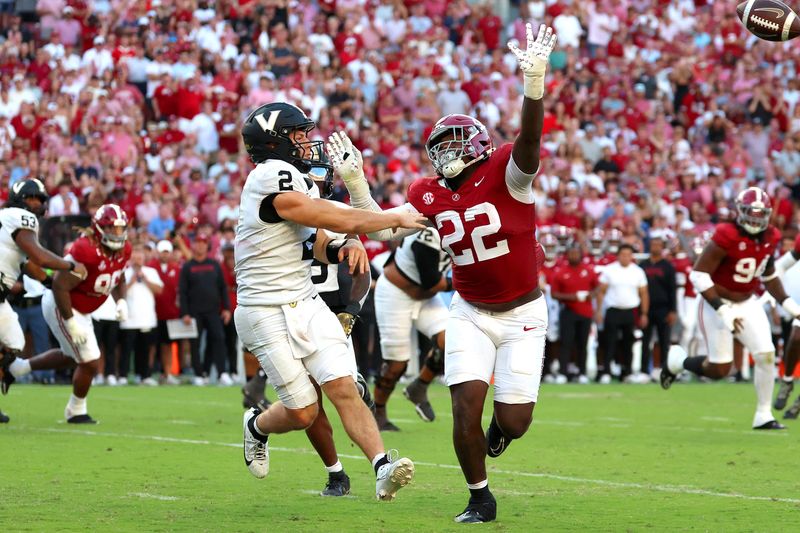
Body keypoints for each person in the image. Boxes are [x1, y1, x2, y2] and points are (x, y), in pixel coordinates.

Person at [329, 24, 557, 523]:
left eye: (455, 143)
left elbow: (531, 141)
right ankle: (479, 496)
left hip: (522, 312)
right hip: (469, 311)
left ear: (475, 145)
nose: (445, 152)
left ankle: (500, 435)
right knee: (464, 406)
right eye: (441, 144)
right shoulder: (427, 192)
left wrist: (533, 86)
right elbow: (386, 228)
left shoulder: (505, 172)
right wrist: (356, 184)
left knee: (514, 422)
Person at [235, 102, 424, 500]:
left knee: (343, 386)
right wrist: (389, 217)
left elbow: (318, 236)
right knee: (303, 411)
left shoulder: (296, 180)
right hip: (264, 308)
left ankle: (381, 466)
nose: (307, 142)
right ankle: (257, 426)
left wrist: (342, 247)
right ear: (274, 143)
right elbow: (328, 215)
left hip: (304, 299)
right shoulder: (270, 176)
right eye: (299, 135)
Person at [241, 166, 376, 496]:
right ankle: (335, 472)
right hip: (286, 310)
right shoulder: (279, 209)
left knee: (350, 390)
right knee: (307, 404)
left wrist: (351, 311)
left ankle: (379, 463)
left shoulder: (335, 213)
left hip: (327, 309)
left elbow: (362, 272)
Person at [661, 187, 792, 430]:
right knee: (720, 369)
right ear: (739, 212)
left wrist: (786, 301)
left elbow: (769, 273)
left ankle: (763, 415)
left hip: (747, 302)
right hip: (716, 303)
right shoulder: (726, 234)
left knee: (766, 354)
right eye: (750, 213)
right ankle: (678, 361)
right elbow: (699, 276)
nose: (755, 219)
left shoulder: (771, 235)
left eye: (760, 214)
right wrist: (722, 309)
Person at [2, 204, 130, 423]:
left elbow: (119, 275)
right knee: (90, 359)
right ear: (99, 228)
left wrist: (121, 300)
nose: (116, 235)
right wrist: (70, 321)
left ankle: (19, 368)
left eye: (120, 229)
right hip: (62, 303)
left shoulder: (125, 249)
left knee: (72, 355)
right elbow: (60, 285)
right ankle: (76, 410)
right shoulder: (85, 250)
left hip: (82, 306)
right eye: (112, 229)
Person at [0, 179, 89, 412]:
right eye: (30, 198)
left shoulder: (9, 220)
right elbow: (39, 256)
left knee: (14, 343)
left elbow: (28, 263)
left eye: (39, 199)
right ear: (19, 199)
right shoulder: (19, 217)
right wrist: (69, 266)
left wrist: (50, 282)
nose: (35, 203)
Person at [372, 227, 451, 430]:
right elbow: (431, 281)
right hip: (395, 293)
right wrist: (464, 282)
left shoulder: (465, 222)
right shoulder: (429, 230)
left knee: (452, 340)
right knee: (396, 365)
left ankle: (420, 386)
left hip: (425, 298)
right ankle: (378, 411)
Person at [179, 234, 232, 385]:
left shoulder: (214, 264)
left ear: (207, 245)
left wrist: (226, 309)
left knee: (218, 339)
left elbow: (223, 288)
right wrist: (185, 313)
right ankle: (199, 374)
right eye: (198, 242)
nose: (200, 245)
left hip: (213, 311)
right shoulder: (188, 266)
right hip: (194, 312)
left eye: (203, 243)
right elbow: (182, 291)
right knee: (195, 343)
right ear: (193, 245)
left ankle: (221, 372)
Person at [594, 244, 649, 383]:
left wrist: (644, 313)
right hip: (613, 310)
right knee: (609, 342)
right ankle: (607, 371)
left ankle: (627, 372)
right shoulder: (610, 270)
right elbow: (601, 292)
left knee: (628, 343)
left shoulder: (638, 271)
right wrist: (599, 311)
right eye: (623, 254)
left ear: (632, 256)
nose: (625, 257)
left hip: (630, 311)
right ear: (618, 255)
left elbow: (644, 293)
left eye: (628, 255)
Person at [550, 243, 598, 384]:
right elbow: (554, 294)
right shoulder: (560, 272)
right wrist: (572, 297)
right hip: (568, 311)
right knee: (566, 343)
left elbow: (597, 288)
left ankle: (581, 372)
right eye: (571, 253)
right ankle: (563, 373)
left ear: (580, 255)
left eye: (576, 253)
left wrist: (591, 295)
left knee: (582, 344)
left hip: (586, 313)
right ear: (567, 255)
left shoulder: (588, 270)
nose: (574, 256)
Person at [119, 244, 164, 386]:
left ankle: (143, 376)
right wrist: (132, 281)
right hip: (128, 319)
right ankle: (123, 376)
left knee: (144, 350)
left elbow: (159, 290)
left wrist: (145, 279)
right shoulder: (124, 273)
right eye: (134, 258)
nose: (137, 261)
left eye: (139, 258)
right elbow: (120, 292)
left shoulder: (150, 272)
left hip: (146, 319)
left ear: (144, 259)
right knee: (126, 350)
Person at [638, 234, 677, 382]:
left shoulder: (667, 266)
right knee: (645, 340)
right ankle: (644, 370)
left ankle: (663, 369)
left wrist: (673, 310)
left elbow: (672, 290)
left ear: (662, 247)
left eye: (658, 245)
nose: (656, 247)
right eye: (653, 245)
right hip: (646, 309)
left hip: (663, 308)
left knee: (663, 341)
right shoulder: (643, 265)